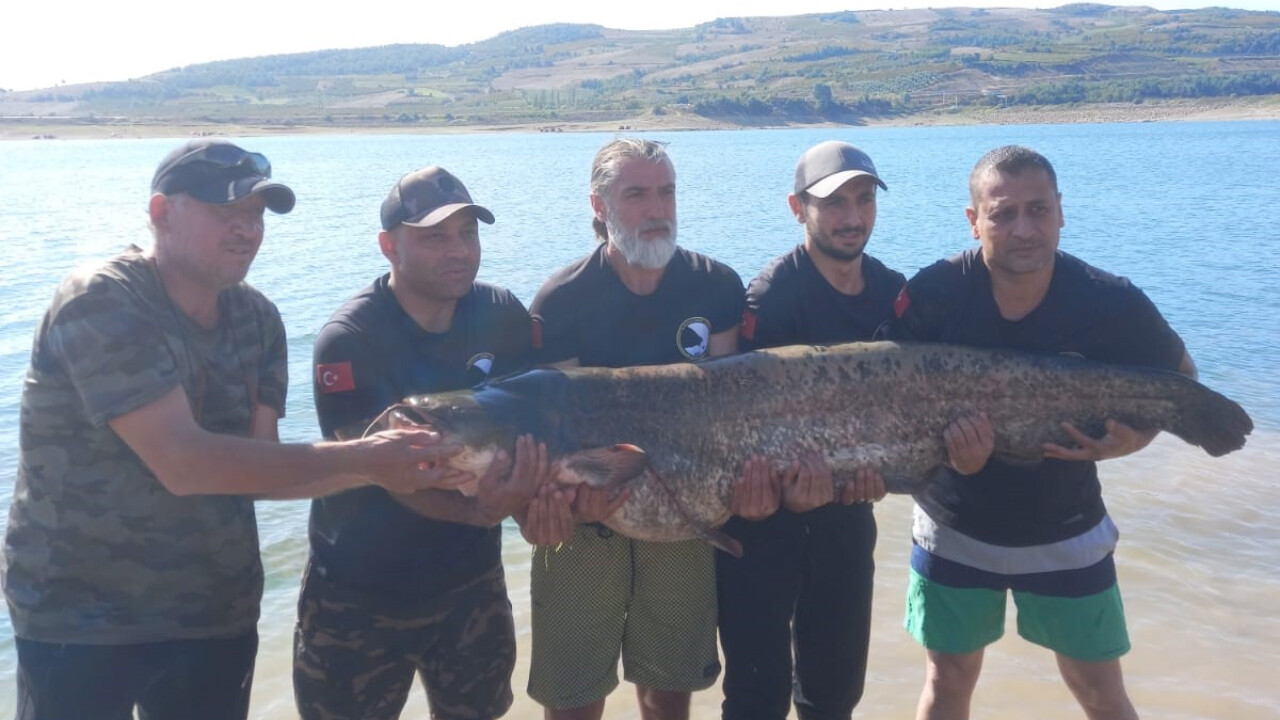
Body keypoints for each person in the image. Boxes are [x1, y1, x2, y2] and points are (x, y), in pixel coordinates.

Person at [2, 139, 469, 720]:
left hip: (213, 612)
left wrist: (402, 467)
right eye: (227, 213)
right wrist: (367, 461)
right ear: (160, 212)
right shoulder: (102, 300)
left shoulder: (258, 319)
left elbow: (261, 469)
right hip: (83, 616)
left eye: (255, 216)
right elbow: (183, 464)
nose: (247, 230)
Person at [889, 145, 1197, 720]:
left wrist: (1134, 441)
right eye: (1003, 213)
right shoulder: (933, 294)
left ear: (1061, 212)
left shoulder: (1110, 300)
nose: (1023, 229)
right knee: (947, 679)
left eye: (1038, 209)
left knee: (1099, 690)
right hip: (954, 523)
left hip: (1067, 527)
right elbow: (888, 405)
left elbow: (1182, 385)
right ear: (973, 219)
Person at [293, 166, 550, 720]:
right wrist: (485, 510)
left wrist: (537, 503)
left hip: (470, 582)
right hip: (360, 592)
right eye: (435, 237)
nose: (458, 251)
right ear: (390, 246)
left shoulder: (502, 315)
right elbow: (381, 474)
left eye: (468, 233)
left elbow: (535, 426)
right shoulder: (351, 340)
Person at [525, 138, 745, 720]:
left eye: (667, 192)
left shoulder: (716, 286)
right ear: (599, 206)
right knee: (574, 700)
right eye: (637, 195)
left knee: (669, 692)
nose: (657, 209)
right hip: (582, 521)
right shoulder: (561, 299)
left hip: (683, 514)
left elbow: (731, 416)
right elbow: (555, 436)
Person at [716, 140, 896, 720]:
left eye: (863, 200)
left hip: (847, 519)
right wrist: (781, 491)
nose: (852, 217)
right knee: (755, 700)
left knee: (834, 697)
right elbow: (734, 428)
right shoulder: (770, 299)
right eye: (834, 202)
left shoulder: (895, 295)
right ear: (798, 209)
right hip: (762, 528)